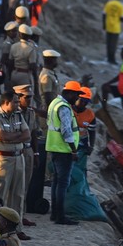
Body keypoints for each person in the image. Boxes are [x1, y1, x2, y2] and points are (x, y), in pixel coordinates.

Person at [46, 81, 81, 226]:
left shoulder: (55, 102)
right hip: (64, 150)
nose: (77, 98)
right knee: (62, 184)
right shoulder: (64, 108)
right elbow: (66, 130)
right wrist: (73, 149)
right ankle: (60, 216)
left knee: (56, 182)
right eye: (77, 95)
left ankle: (55, 214)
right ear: (70, 93)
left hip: (54, 148)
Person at [102, 0, 123, 64]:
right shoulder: (121, 6)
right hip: (116, 27)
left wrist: (104, 24)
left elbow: (104, 14)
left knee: (108, 43)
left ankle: (108, 58)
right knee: (113, 44)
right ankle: (112, 59)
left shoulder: (109, 3)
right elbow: (121, 18)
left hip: (108, 25)